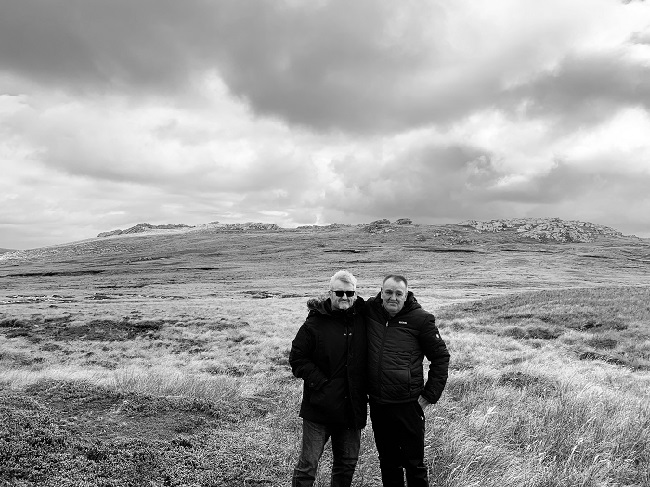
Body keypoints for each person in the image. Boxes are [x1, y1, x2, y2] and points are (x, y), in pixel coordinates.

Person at [365, 274, 450, 487]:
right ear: (381, 292)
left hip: (408, 405)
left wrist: (429, 395)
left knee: (414, 464)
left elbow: (440, 357)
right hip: (379, 404)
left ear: (406, 295)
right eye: (388, 292)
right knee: (388, 463)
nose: (393, 298)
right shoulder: (370, 310)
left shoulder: (421, 319)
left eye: (398, 293)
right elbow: (344, 303)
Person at [289, 270, 367, 487]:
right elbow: (297, 358)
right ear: (330, 293)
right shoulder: (314, 324)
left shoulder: (363, 317)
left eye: (349, 292)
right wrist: (322, 383)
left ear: (355, 293)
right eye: (339, 292)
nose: (344, 297)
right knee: (308, 465)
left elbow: (390, 297)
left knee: (347, 464)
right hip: (319, 408)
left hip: (352, 408)